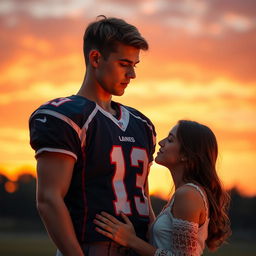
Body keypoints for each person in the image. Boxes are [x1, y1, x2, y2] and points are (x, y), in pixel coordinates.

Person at [29, 16, 156, 256]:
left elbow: (143, 199)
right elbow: (48, 199)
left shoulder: (142, 124)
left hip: (138, 247)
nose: (132, 74)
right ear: (96, 58)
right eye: (124, 63)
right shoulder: (66, 116)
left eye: (134, 65)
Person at [94, 120, 232, 256]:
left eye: (170, 140)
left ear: (185, 155)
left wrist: (130, 240)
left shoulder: (188, 195)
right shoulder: (185, 193)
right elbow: (162, 239)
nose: (161, 142)